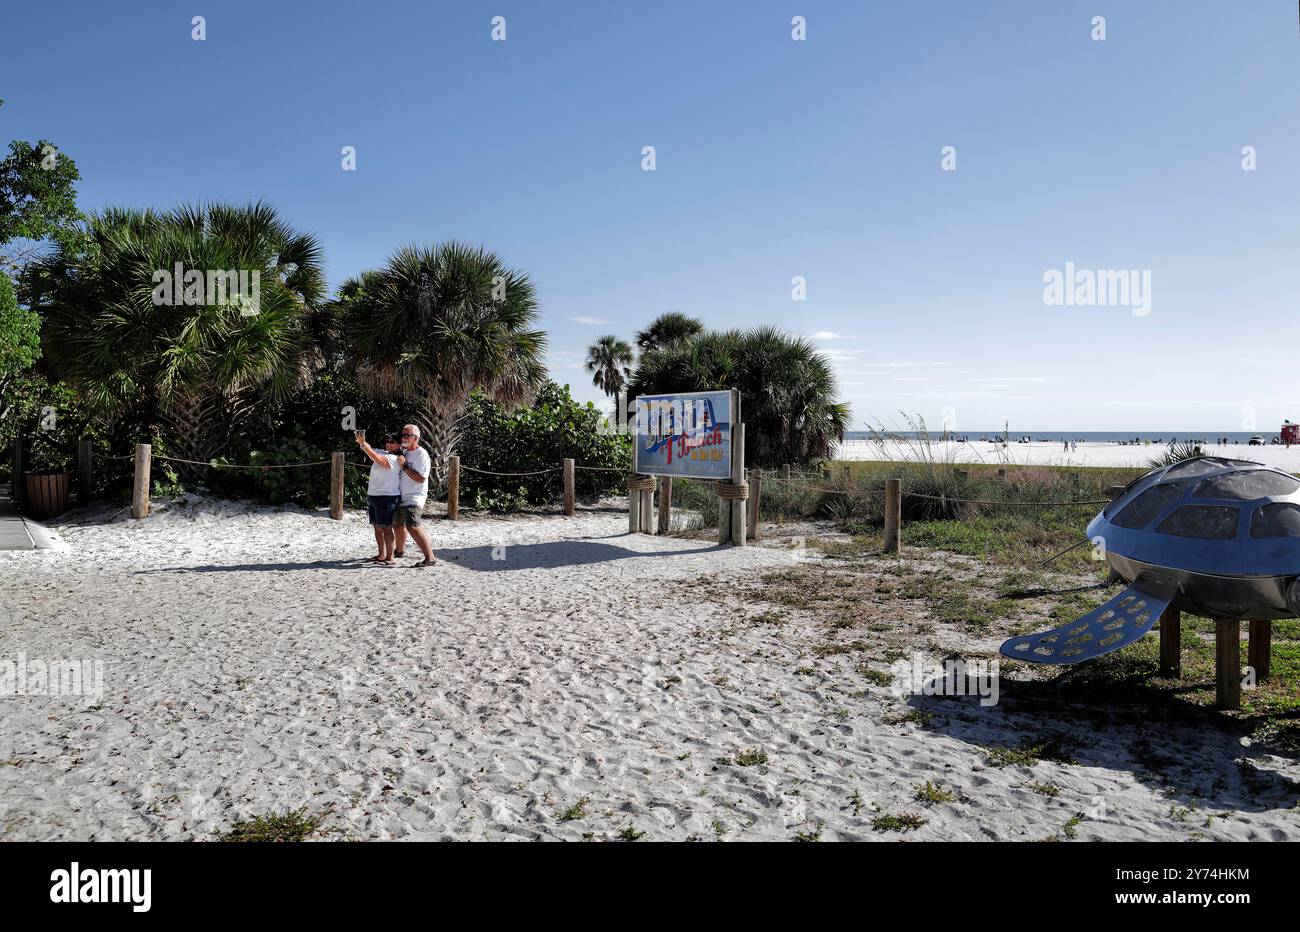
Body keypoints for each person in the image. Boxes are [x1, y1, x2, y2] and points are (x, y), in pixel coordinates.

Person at [392, 424, 437, 567]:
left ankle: (430, 558)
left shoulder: (421, 454)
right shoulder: (404, 452)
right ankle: (399, 551)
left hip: (414, 496)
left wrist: (405, 467)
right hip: (400, 495)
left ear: (416, 438)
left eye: (407, 435)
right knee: (398, 524)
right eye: (402, 435)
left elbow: (421, 478)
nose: (403, 438)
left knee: (413, 526)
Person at [356, 430, 402, 565]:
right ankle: (381, 555)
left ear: (399, 445)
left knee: (387, 528)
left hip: (388, 497)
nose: (388, 444)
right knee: (377, 527)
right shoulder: (384, 453)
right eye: (387, 441)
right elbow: (369, 449)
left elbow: (375, 457)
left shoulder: (395, 459)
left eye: (392, 442)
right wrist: (362, 442)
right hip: (374, 495)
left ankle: (390, 557)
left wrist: (363, 444)